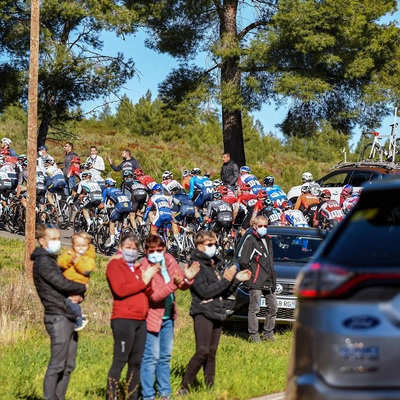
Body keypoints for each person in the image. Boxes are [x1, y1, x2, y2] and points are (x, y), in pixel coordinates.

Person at [178, 230, 251, 394]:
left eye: (214, 244)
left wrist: (236, 280)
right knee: (202, 350)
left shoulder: (214, 264)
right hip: (203, 311)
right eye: (209, 244)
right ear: (199, 246)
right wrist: (226, 278)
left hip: (217, 311)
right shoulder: (196, 265)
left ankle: (209, 389)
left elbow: (222, 292)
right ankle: (185, 387)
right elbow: (205, 292)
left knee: (211, 353)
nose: (214, 247)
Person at [139, 235, 200, 400]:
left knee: (165, 357)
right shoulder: (145, 267)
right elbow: (155, 296)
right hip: (151, 318)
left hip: (168, 317)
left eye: (160, 250)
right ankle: (148, 395)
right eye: (152, 251)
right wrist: (173, 283)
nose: (156, 253)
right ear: (146, 251)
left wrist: (187, 278)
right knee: (151, 358)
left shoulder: (169, 260)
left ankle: (165, 394)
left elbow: (181, 284)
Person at [31, 224, 87, 400]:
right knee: (57, 364)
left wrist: (79, 295)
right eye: (53, 239)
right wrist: (82, 287)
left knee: (69, 365)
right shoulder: (43, 262)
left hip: (67, 314)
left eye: (58, 238)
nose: (58, 242)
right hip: (57, 316)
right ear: (42, 241)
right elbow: (61, 284)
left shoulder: (53, 260)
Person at [106, 233, 160, 400]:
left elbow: (148, 293)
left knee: (136, 362)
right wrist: (144, 280)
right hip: (124, 319)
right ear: (120, 248)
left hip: (140, 320)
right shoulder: (115, 265)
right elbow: (120, 290)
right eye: (127, 248)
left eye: (134, 249)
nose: (131, 251)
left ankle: (132, 396)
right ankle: (111, 395)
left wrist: (149, 279)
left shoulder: (138, 269)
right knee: (120, 359)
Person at [236, 215, 277, 342]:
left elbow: (269, 261)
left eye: (265, 226)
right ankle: (253, 335)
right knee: (254, 309)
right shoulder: (251, 240)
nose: (263, 228)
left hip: (269, 280)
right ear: (255, 226)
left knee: (273, 307)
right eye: (260, 226)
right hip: (256, 281)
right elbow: (243, 260)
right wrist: (251, 273)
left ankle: (268, 333)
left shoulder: (268, 240)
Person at [57, 232, 96, 331]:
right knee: (63, 300)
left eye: (84, 245)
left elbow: (87, 269)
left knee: (71, 300)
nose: (81, 248)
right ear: (73, 245)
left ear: (88, 246)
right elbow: (60, 262)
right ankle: (70, 317)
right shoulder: (70, 254)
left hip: (78, 283)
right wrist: (69, 261)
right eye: (78, 245)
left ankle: (79, 317)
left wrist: (77, 262)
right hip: (66, 282)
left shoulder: (89, 258)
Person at [100, 177, 133, 248]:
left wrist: (97, 210)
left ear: (107, 184)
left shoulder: (106, 190)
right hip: (128, 205)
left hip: (120, 206)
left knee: (112, 222)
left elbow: (102, 204)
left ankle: (112, 241)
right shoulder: (118, 189)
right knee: (120, 219)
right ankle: (119, 234)